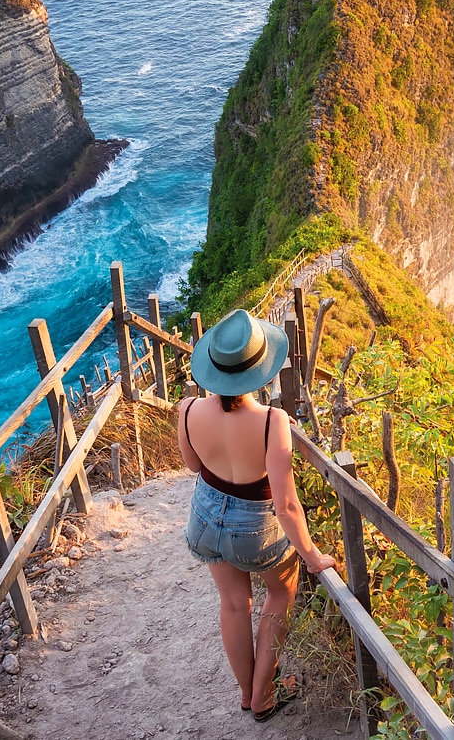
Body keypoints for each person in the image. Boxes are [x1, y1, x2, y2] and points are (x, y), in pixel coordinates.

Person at [179, 308, 337, 722]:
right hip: (255, 527)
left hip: (205, 517)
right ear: (258, 370)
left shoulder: (187, 409)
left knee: (233, 604)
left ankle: (248, 694)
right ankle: (264, 696)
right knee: (281, 594)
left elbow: (193, 467)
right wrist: (312, 555)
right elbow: (284, 505)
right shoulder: (272, 421)